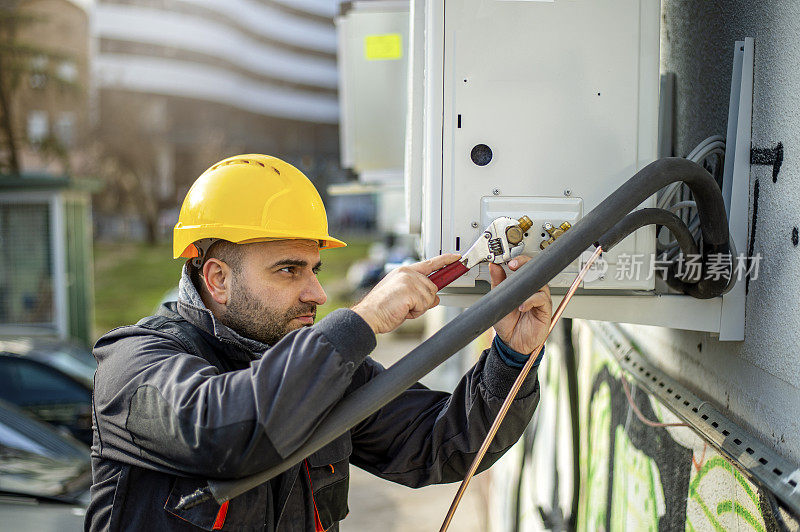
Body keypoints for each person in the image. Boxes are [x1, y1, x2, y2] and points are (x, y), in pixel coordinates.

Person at [85, 154, 552, 531]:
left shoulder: (320, 368)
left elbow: (442, 444)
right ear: (218, 279)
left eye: (314, 269)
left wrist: (512, 355)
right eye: (289, 269)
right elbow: (229, 430)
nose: (318, 293)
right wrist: (363, 319)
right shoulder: (134, 366)